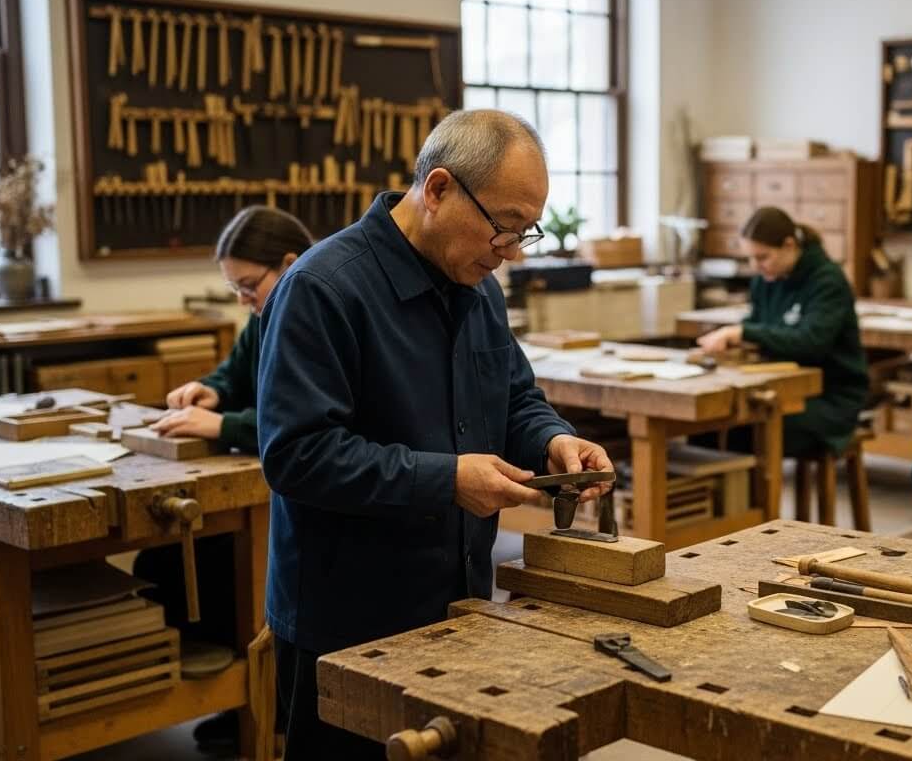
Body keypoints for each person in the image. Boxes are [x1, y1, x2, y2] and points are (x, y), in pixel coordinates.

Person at [257, 109, 614, 758]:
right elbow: (296, 455)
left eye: (523, 233)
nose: (508, 254)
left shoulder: (477, 287)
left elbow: (512, 395)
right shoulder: (323, 287)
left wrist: (551, 438)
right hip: (348, 623)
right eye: (502, 228)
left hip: (459, 601)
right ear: (439, 188)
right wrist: (445, 479)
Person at [132, 205, 311, 756]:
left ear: (291, 262)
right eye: (233, 288)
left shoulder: (312, 314)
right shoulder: (263, 314)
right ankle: (236, 704)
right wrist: (206, 390)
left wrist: (223, 423)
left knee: (218, 565)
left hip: (301, 497)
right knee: (160, 561)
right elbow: (233, 376)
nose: (243, 301)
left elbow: (305, 421)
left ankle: (259, 707)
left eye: (248, 286)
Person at [695, 206, 868, 458]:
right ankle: (726, 496)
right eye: (751, 258)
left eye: (763, 257)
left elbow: (811, 342)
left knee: (748, 428)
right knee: (707, 426)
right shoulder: (765, 280)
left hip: (829, 398)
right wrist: (734, 344)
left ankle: (755, 497)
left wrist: (744, 333)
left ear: (789, 245)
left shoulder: (827, 280)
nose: (756, 266)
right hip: (779, 385)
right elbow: (758, 327)